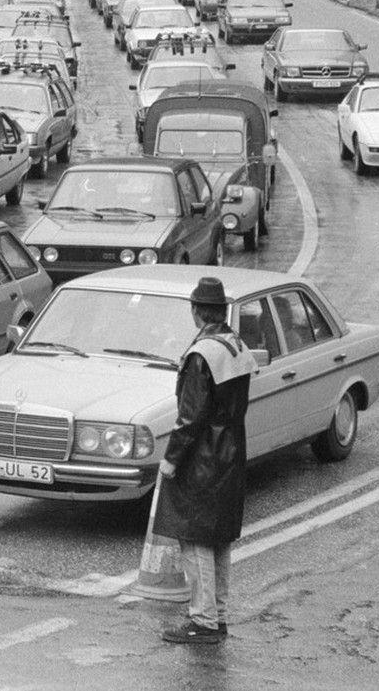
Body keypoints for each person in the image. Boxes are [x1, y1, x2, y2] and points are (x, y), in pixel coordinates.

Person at [154, 276, 258, 645]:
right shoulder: (236, 346)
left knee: (194, 537)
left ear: (196, 311)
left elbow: (190, 416)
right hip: (232, 448)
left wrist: (171, 459)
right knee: (220, 538)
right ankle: (219, 615)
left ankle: (203, 619)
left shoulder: (202, 354)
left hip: (203, 456)